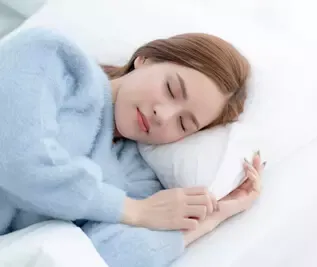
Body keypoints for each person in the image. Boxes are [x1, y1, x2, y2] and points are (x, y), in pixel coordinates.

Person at [0, 28, 264, 267]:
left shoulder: (137, 180)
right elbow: (20, 162)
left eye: (183, 124)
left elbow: (97, 257)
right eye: (171, 89)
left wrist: (210, 219)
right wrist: (134, 211)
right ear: (146, 58)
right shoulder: (54, 58)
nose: (164, 115)